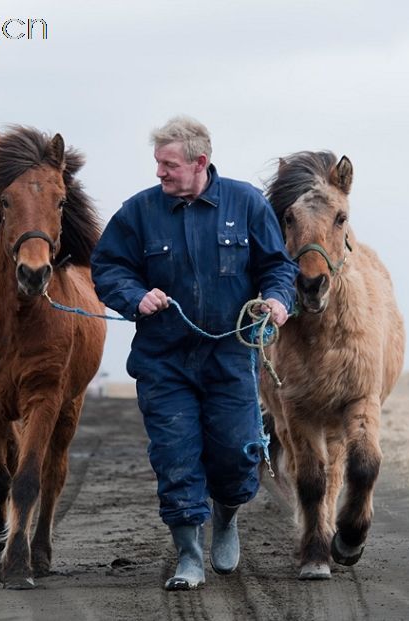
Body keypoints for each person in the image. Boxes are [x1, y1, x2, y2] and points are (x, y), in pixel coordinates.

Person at [91, 116, 298, 590]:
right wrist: (134, 296)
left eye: (168, 164)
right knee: (175, 455)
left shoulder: (246, 204)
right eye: (157, 164)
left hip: (229, 357)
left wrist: (278, 301)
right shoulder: (139, 212)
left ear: (199, 162)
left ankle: (225, 519)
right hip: (164, 360)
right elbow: (107, 267)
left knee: (235, 455)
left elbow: (277, 267)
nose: (159, 173)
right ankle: (188, 554)